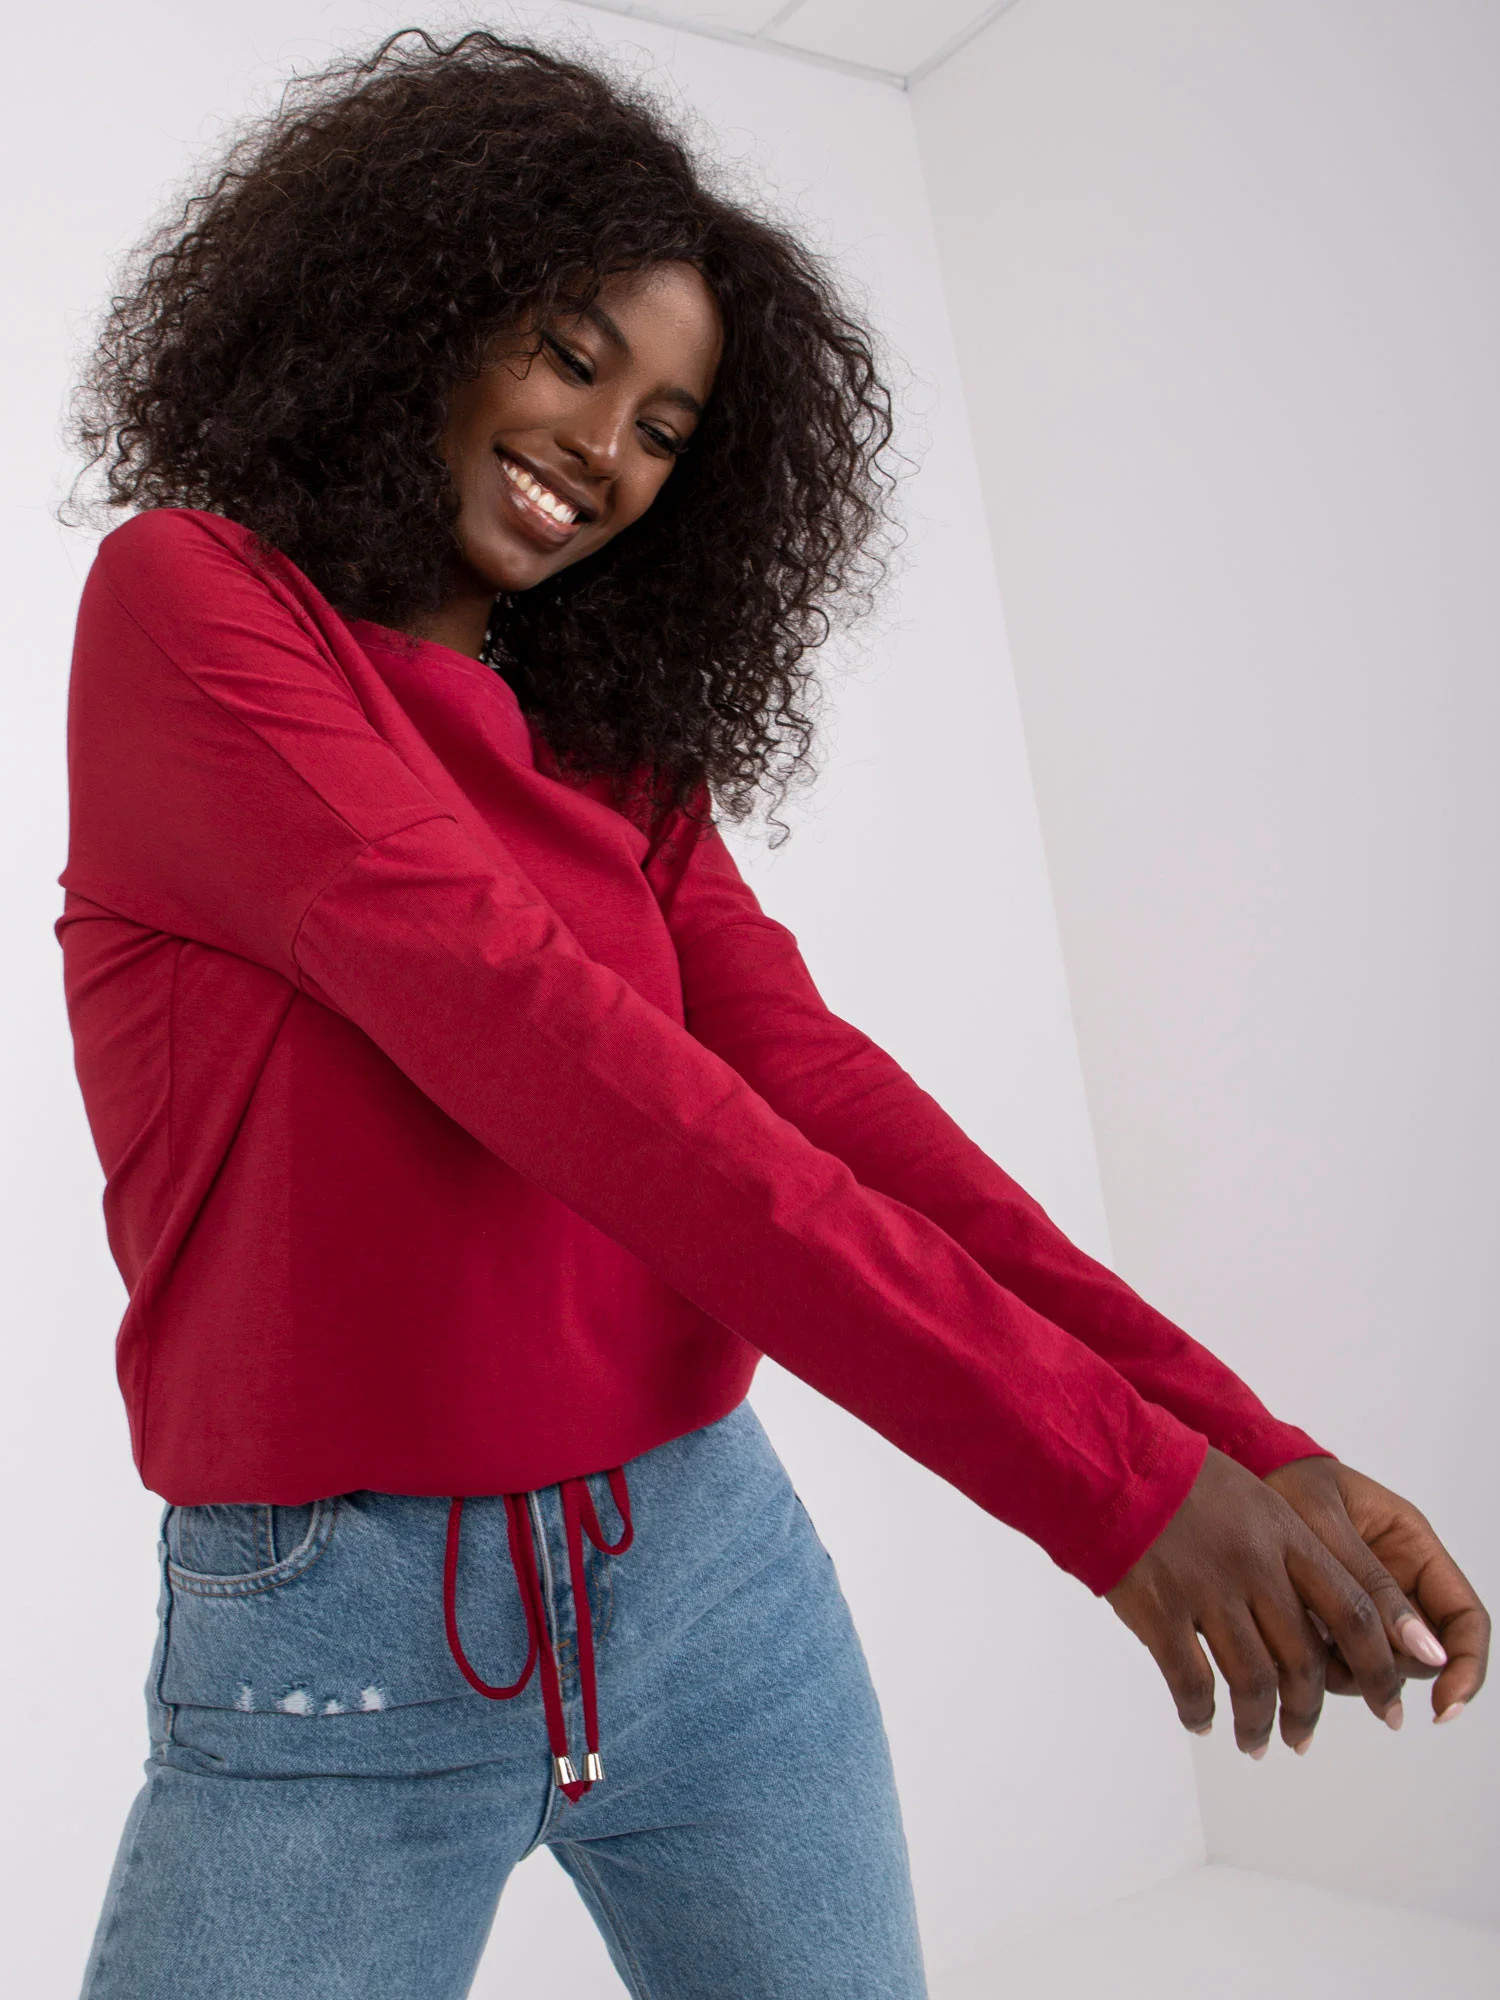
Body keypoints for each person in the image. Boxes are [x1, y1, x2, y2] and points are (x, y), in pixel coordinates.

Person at [58, 29, 1487, 2000]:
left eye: (665, 428)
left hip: (712, 1583)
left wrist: (1239, 1450)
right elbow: (574, 1071)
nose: (604, 450)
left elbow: (816, 1099)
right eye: (572, 356)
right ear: (423, 308)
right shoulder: (195, 613)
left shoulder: (608, 743)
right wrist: (1113, 1488)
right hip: (342, 1647)